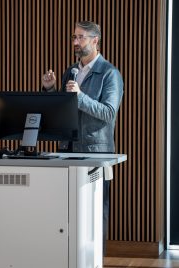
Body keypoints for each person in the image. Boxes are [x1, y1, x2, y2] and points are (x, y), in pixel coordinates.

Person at [41, 21, 124, 254]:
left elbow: (108, 113)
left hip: (94, 153)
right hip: (67, 150)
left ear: (95, 40)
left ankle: (93, 258)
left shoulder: (110, 73)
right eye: (74, 37)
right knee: (66, 208)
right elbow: (62, 110)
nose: (75, 42)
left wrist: (80, 97)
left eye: (81, 37)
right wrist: (50, 89)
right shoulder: (71, 71)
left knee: (94, 211)